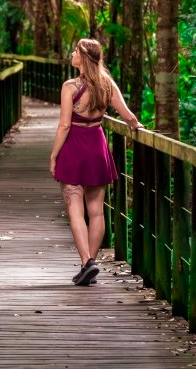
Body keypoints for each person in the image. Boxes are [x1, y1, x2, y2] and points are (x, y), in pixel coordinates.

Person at [49, 38, 142, 286]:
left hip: (74, 147)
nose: (71, 54)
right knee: (96, 210)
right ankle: (90, 262)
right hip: (97, 147)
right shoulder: (106, 85)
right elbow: (128, 116)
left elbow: (65, 125)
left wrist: (54, 155)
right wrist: (137, 126)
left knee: (75, 208)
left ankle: (86, 262)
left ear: (83, 57)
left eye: (75, 51)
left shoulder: (70, 87)